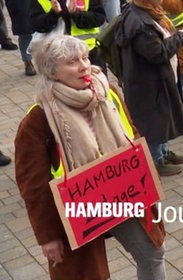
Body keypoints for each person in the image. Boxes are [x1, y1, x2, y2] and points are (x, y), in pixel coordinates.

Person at [14, 34, 167, 280]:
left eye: (85, 57)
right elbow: (33, 186)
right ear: (52, 72)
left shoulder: (108, 93)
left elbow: (133, 135)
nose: (84, 65)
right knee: (87, 275)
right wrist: (48, 236)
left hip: (125, 192)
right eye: (72, 62)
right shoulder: (38, 119)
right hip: (76, 210)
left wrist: (149, 179)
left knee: (153, 253)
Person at [115, 0, 183, 176]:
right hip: (147, 81)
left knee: (162, 117)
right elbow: (157, 53)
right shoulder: (140, 23)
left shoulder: (145, 11)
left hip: (154, 78)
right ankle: (155, 160)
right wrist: (180, 38)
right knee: (153, 121)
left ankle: (163, 152)